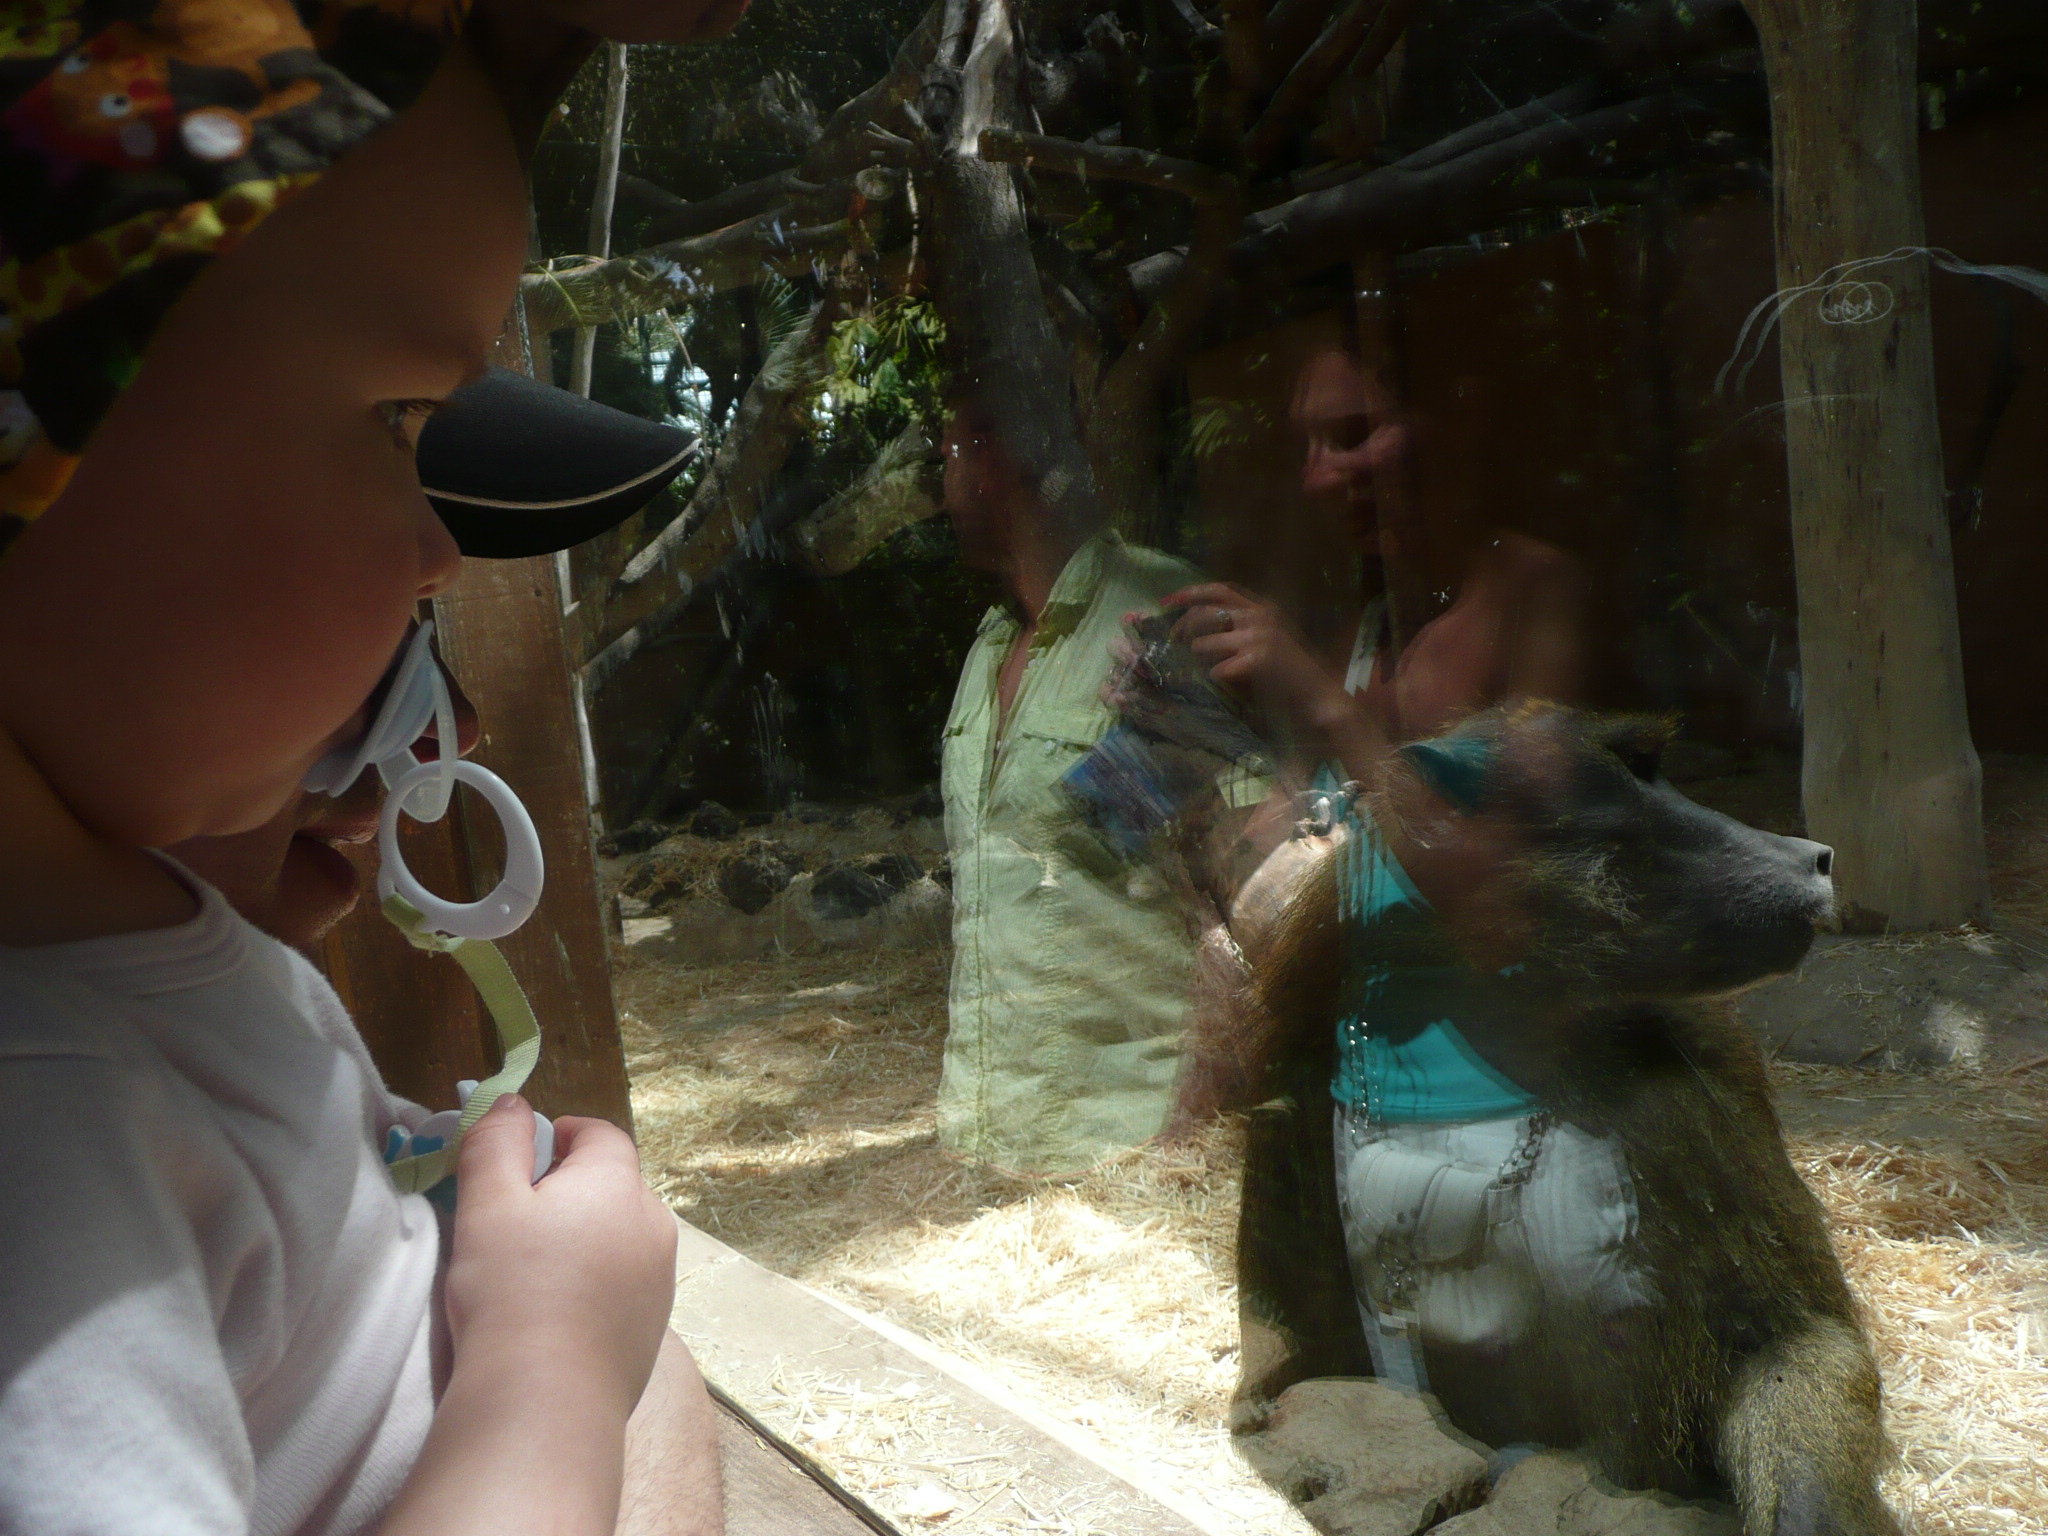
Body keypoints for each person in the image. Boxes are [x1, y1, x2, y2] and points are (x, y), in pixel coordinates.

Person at [0, 2, 739, 1532]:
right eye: (400, 420)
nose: (436, 553)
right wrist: (553, 1357)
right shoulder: (36, 1139)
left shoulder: (118, 996)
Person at [934, 388, 1211, 1176]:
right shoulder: (988, 648)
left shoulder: (1156, 615)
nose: (941, 493)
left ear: (990, 459)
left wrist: (1186, 1139)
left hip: (1130, 1153)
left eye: (945, 459)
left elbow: (1243, 888)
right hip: (991, 1150)